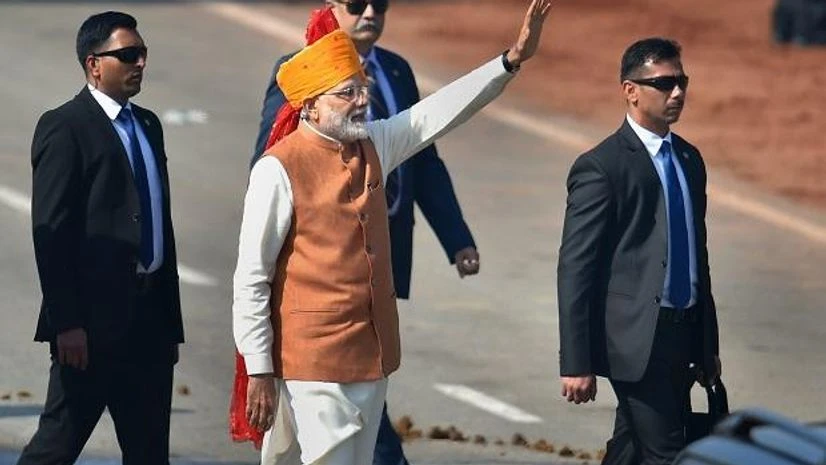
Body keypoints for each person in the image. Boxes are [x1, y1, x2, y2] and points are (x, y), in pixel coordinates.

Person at [230, 1, 553, 464]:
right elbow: (251, 280)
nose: (363, 100)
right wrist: (259, 369)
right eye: (348, 93)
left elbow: (439, 113)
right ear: (312, 104)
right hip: (313, 365)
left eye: (362, 90)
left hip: (372, 357)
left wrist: (510, 60)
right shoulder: (277, 171)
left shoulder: (374, 142)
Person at [18, 11, 184, 465]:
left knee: (150, 455)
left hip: (150, 324)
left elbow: (156, 221)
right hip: (90, 331)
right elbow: (51, 236)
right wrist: (67, 322)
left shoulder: (148, 124)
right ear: (94, 64)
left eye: (142, 53)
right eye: (128, 55)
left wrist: (169, 320)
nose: (140, 63)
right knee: (54, 450)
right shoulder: (65, 126)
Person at [556, 37, 722, 465]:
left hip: (684, 333)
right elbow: (576, 269)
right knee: (669, 455)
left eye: (681, 81)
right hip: (637, 341)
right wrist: (576, 361)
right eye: (664, 83)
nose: (678, 92)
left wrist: (708, 344)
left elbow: (697, 255)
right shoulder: (602, 166)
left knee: (630, 450)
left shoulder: (689, 159)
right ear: (630, 90)